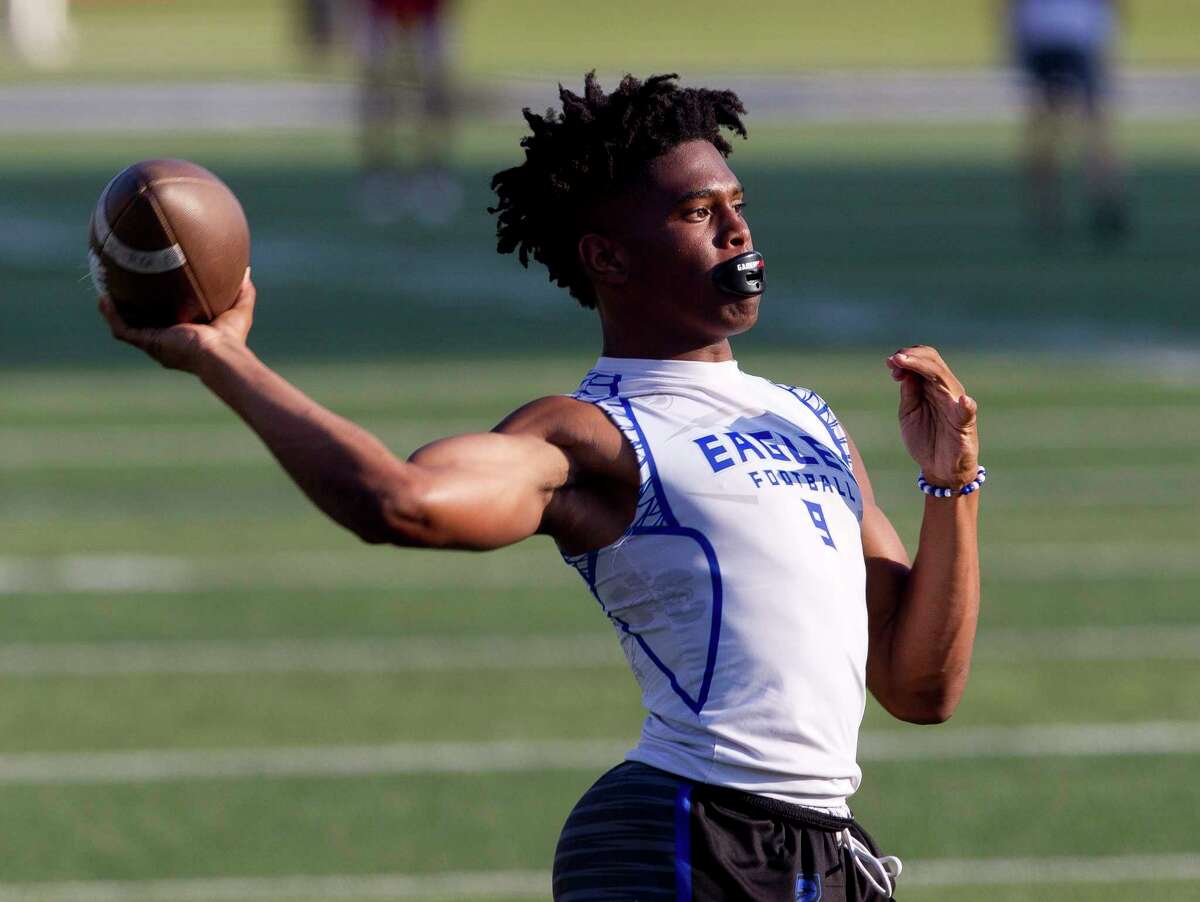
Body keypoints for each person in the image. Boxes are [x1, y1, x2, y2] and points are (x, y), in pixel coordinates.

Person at [99, 73, 983, 901]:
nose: (736, 232)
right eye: (696, 211)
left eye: (738, 207)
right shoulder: (588, 434)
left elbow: (919, 686)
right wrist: (223, 359)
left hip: (815, 848)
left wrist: (952, 488)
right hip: (687, 834)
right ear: (607, 256)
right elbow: (400, 502)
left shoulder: (810, 420)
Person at [1006, 0, 1130, 242]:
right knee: (1094, 124)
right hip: (1078, 34)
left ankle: (1047, 208)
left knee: (1046, 127)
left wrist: (1013, 41)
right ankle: (1105, 197)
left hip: (1041, 35)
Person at [356, 0, 461, 226]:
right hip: (381, 11)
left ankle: (433, 161)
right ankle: (379, 162)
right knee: (376, 88)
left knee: (435, 88)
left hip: (428, 11)